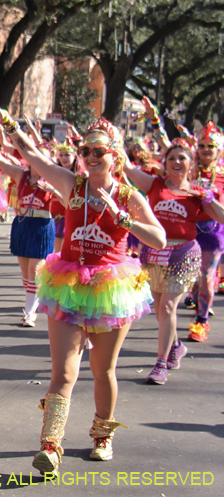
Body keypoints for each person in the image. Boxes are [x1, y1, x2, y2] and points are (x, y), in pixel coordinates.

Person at [0, 95, 165, 473]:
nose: (90, 155)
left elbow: (159, 239)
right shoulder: (72, 184)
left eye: (98, 149)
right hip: (67, 282)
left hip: (111, 288)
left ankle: (102, 435)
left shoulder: (129, 196)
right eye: (86, 149)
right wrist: (10, 123)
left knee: (103, 371)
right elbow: (35, 157)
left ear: (115, 154)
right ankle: (51, 446)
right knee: (63, 372)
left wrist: (123, 219)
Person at [123, 139, 224, 384]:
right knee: (159, 310)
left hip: (184, 254)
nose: (177, 162)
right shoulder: (155, 185)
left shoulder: (198, 194)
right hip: (154, 253)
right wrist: (114, 139)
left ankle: (160, 364)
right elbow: (126, 167)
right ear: (164, 164)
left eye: (182, 158)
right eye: (171, 158)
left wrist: (210, 199)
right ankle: (176, 345)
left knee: (168, 307)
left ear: (191, 164)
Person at [0, 140, 56, 327]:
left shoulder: (53, 178)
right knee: (25, 272)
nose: (39, 163)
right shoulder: (21, 175)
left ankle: (29, 313)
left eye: (43, 159)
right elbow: (1, 162)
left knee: (35, 270)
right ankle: (34, 300)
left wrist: (53, 190)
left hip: (42, 225)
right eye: (35, 158)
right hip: (23, 224)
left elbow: (67, 201)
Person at [188, 122, 224, 342]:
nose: (205, 149)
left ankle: (202, 321)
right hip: (189, 232)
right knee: (192, 279)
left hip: (213, 233)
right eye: (202, 145)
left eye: (210, 146)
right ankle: (198, 307)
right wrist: (156, 121)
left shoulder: (222, 175)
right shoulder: (187, 170)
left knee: (206, 277)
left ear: (218, 149)